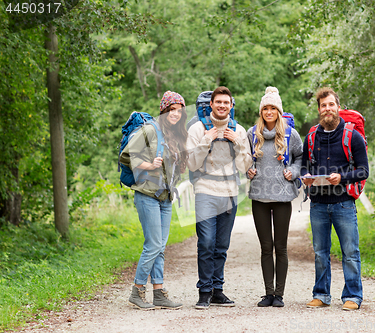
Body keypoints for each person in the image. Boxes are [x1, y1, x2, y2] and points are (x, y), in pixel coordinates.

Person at [301, 87, 369, 311]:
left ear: (338, 107)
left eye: (331, 105)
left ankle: (353, 296)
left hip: (344, 204)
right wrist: (307, 178)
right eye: (323, 106)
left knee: (350, 252)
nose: (327, 109)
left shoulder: (352, 135)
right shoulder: (311, 136)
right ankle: (321, 294)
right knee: (320, 253)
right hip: (318, 204)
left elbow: (363, 171)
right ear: (319, 109)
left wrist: (342, 177)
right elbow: (304, 167)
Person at [186, 86, 253, 309]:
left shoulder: (239, 131)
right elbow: (192, 164)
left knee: (221, 245)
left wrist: (239, 144)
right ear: (211, 105)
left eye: (226, 103)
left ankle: (218, 291)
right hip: (205, 191)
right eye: (218, 102)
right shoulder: (197, 129)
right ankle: (204, 291)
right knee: (206, 243)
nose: (222, 106)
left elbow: (245, 167)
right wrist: (206, 140)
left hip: (229, 193)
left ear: (231, 106)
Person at [121, 91, 188, 310]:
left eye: (179, 110)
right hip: (147, 194)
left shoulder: (174, 135)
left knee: (160, 247)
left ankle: (159, 293)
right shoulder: (150, 129)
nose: (175, 114)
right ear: (164, 109)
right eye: (171, 109)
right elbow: (127, 154)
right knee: (153, 245)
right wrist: (148, 165)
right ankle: (137, 290)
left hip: (165, 197)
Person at [246, 87, 302, 308]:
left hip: (282, 197)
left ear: (279, 111)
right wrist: (248, 170)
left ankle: (279, 295)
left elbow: (299, 158)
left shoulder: (290, 134)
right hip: (259, 196)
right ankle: (268, 293)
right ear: (261, 112)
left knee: (281, 247)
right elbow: (244, 160)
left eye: (273, 108)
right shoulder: (252, 134)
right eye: (265, 108)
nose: (269, 112)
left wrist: (294, 172)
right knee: (265, 247)